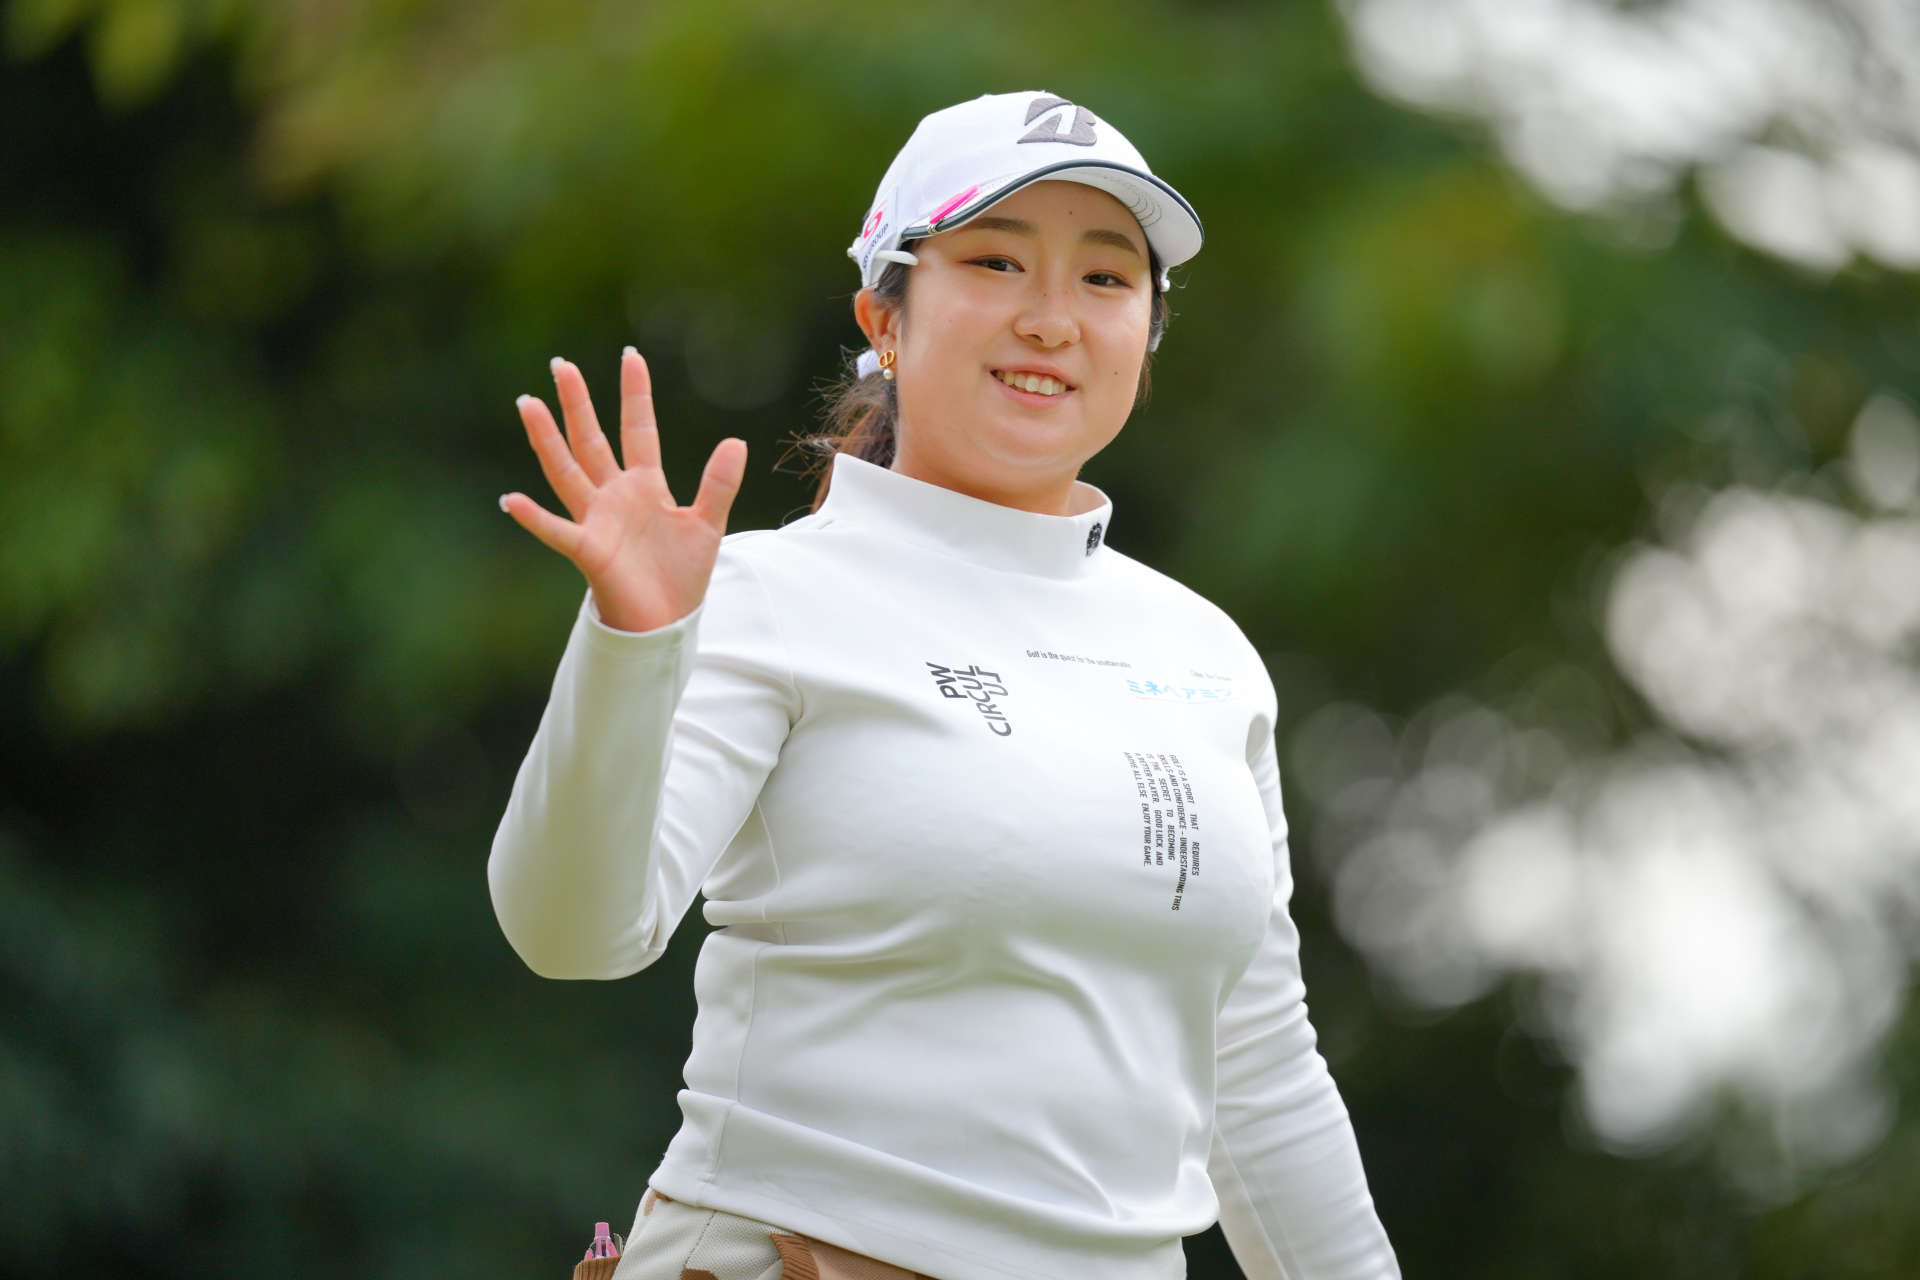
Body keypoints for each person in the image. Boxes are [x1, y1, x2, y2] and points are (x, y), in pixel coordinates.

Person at [490, 91, 1401, 1280]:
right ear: (886, 315)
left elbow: (1260, 1067)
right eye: (993, 260)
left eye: (1106, 280)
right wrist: (632, 642)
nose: (1050, 319)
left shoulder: (1206, 653)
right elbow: (573, 933)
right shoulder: (770, 593)